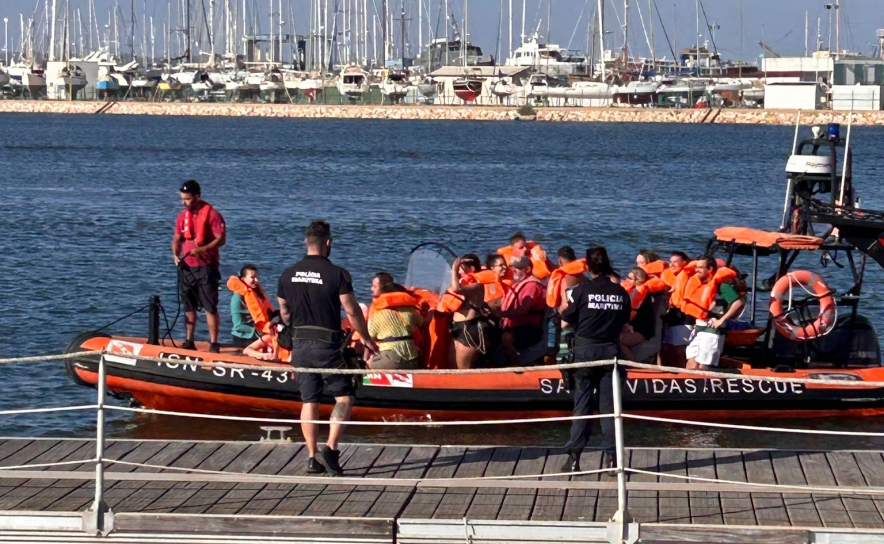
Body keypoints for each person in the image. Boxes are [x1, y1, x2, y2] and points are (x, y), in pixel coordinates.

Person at [277, 220, 378, 476]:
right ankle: (331, 448)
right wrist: (365, 336)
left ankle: (311, 458)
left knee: (309, 400)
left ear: (306, 243)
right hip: (328, 346)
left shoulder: (287, 274)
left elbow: (284, 311)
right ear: (328, 244)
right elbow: (352, 309)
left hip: (300, 345)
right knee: (344, 396)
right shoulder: (337, 274)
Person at [560, 247, 632, 472]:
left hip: (585, 353)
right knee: (610, 409)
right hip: (610, 352)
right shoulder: (621, 293)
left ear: (588, 267)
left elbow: (567, 316)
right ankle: (612, 460)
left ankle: (573, 459)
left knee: (581, 406)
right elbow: (624, 320)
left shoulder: (581, 291)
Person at [172, 180, 226, 353]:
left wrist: (203, 249)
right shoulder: (182, 217)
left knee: (210, 306)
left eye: (187, 199)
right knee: (188, 306)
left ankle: (214, 342)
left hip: (206, 267)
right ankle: (189, 340)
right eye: (182, 199)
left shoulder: (212, 215)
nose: (184, 202)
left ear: (197, 196)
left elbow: (221, 239)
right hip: (187, 267)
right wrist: (175, 254)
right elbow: (177, 238)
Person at [682, 256, 745, 370]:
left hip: (712, 329)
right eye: (696, 267)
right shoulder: (698, 283)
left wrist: (722, 320)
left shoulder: (721, 285)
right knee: (691, 362)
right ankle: (690, 385)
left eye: (700, 267)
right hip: (699, 327)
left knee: (703, 365)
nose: (696, 270)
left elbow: (739, 302)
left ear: (710, 269)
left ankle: (705, 386)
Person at [444, 255, 493, 369]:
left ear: (471, 269)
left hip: (469, 329)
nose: (459, 270)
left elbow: (457, 289)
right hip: (457, 327)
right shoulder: (462, 282)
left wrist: (454, 269)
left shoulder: (477, 286)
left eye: (461, 267)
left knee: (463, 369)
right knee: (452, 365)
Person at [496, 256, 546, 366]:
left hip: (529, 329)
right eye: (513, 267)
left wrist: (502, 314)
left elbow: (523, 309)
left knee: (506, 338)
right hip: (515, 326)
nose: (513, 270)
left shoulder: (532, 286)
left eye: (517, 268)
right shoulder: (519, 283)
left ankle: (515, 368)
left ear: (527, 269)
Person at [367, 283, 424, 370]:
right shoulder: (411, 310)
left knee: (369, 364)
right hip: (413, 360)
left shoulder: (379, 313)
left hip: (390, 359)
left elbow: (371, 334)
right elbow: (422, 322)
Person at [545, 246, 588, 362]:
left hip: (566, 320)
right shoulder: (583, 277)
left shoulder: (566, 279)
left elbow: (566, 305)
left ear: (560, 260)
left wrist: (558, 313)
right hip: (582, 320)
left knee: (555, 345)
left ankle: (552, 364)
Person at [228, 264, 275, 348]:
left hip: (260, 332)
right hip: (244, 337)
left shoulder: (257, 294)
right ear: (243, 279)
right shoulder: (237, 298)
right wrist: (260, 331)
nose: (256, 280)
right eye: (252, 277)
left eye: (257, 277)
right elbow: (238, 325)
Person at [660, 251, 694, 368]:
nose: (672, 265)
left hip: (684, 315)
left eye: (676, 262)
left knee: (680, 348)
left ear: (684, 263)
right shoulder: (671, 277)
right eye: (670, 262)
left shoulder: (690, 276)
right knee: (668, 346)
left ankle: (684, 374)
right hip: (671, 314)